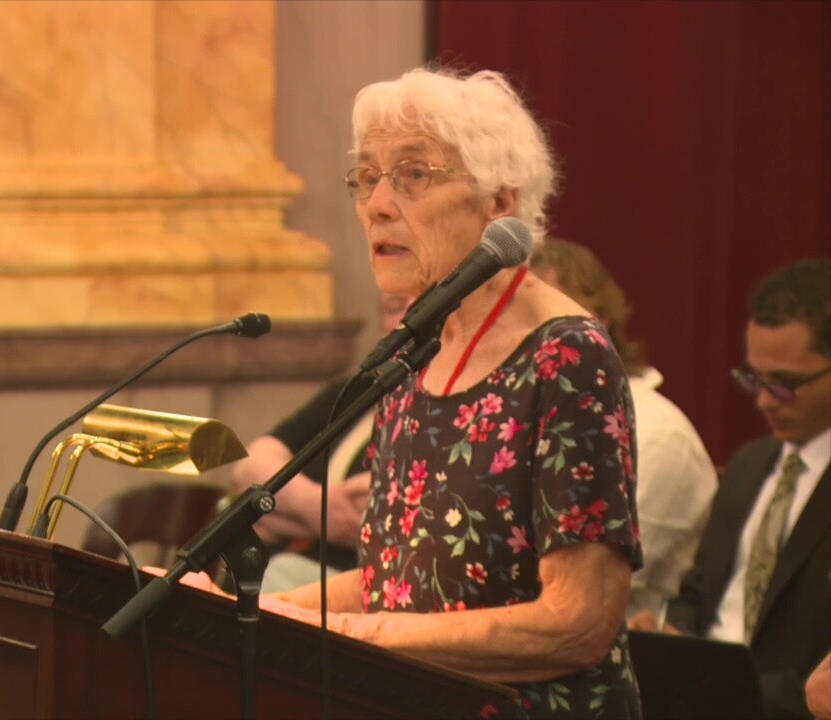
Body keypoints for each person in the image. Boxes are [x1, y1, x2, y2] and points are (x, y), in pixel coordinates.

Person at [183, 67, 642, 719]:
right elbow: (393, 584)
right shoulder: (416, 351)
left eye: (413, 175)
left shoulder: (565, 357)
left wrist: (351, 637)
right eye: (366, 177)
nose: (377, 204)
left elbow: (577, 623)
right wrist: (240, 615)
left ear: (499, 202)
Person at [631, 258, 830, 720]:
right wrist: (670, 634)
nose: (763, 401)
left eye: (785, 385)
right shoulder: (749, 465)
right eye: (754, 379)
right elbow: (699, 595)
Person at [530, 237, 716, 619]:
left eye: (545, 319)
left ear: (598, 324)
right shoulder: (518, 413)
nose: (528, 336)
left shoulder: (658, 432)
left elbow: (586, 587)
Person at [229, 292, 409, 593]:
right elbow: (249, 468)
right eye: (394, 308)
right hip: (281, 570)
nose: (407, 321)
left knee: (279, 576)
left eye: (422, 304)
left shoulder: (444, 413)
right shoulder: (357, 391)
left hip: (358, 593)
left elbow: (375, 522)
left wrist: (282, 509)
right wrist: (315, 506)